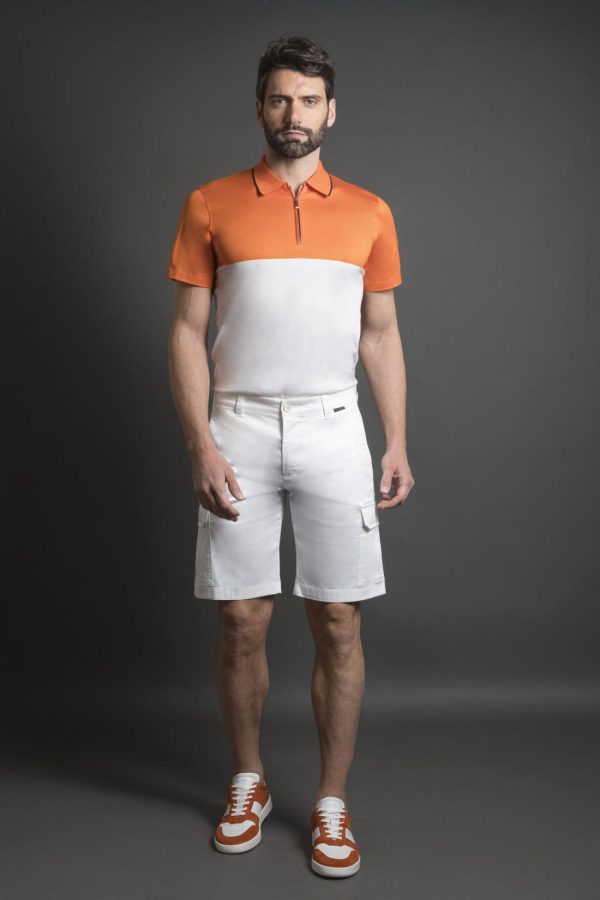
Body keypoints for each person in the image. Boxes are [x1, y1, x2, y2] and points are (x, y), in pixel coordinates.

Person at [167, 33, 415, 879]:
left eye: (309, 100)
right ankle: (249, 780)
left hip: (333, 426)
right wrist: (200, 440)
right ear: (259, 107)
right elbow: (186, 332)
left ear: (330, 111)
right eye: (280, 98)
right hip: (236, 425)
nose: (294, 113)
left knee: (338, 621)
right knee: (241, 619)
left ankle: (332, 801)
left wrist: (397, 439)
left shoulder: (371, 213)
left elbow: (381, 335)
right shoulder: (209, 203)